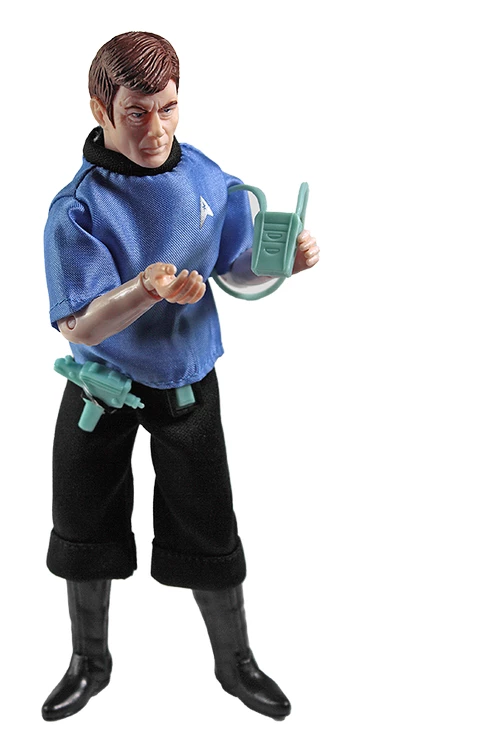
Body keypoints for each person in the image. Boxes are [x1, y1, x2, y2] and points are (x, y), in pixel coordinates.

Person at [42, 31, 320, 723]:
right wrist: (145, 290)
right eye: (137, 112)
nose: (156, 129)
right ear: (102, 110)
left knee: (209, 519)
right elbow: (79, 325)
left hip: (186, 381)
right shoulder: (78, 209)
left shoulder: (204, 177)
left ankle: (235, 662)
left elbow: (236, 269)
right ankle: (89, 660)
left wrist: (279, 263)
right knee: (83, 519)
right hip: (101, 388)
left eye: (168, 108)